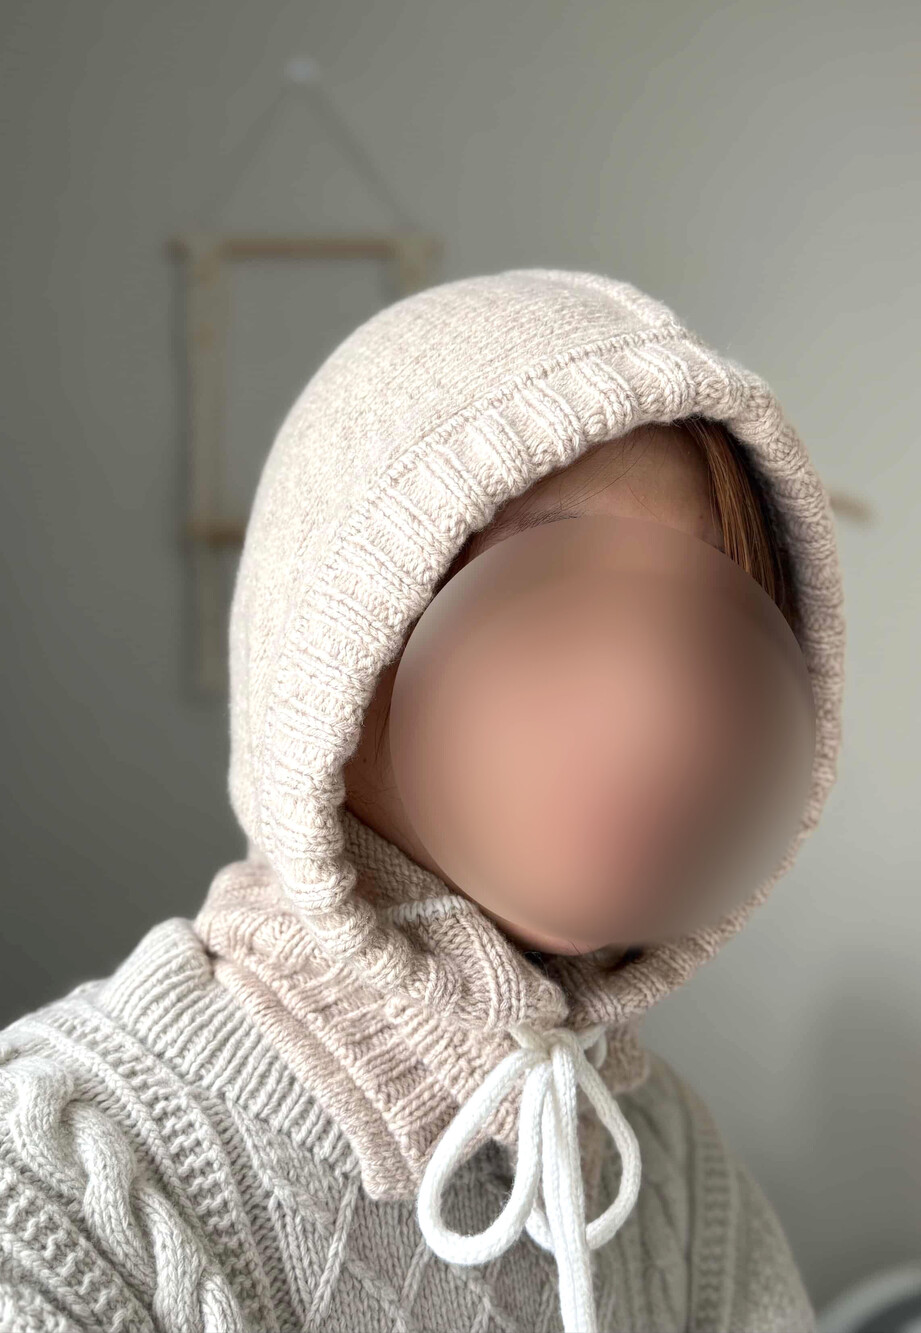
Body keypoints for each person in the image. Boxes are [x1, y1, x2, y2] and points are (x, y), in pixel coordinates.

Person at [0, 267, 846, 1333]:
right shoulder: (60, 1179)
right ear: (335, 648)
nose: (663, 718)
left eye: (711, 629)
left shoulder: (668, 1164)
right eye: (543, 594)